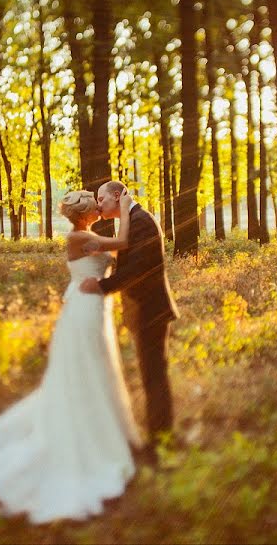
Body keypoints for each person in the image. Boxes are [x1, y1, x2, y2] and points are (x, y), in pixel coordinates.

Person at [0, 190, 141, 524]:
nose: (99, 206)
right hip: (85, 309)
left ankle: (99, 425)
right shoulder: (79, 237)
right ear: (86, 211)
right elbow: (125, 243)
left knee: (94, 370)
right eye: (95, 203)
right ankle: (83, 438)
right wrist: (127, 206)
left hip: (93, 305)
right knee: (84, 370)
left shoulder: (87, 235)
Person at [80, 181, 179, 450]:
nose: (99, 205)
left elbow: (137, 268)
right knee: (151, 374)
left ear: (116, 195)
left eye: (101, 199)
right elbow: (128, 257)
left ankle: (161, 443)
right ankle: (160, 438)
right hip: (144, 310)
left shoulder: (141, 222)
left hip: (151, 311)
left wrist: (101, 287)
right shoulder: (132, 221)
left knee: (154, 376)